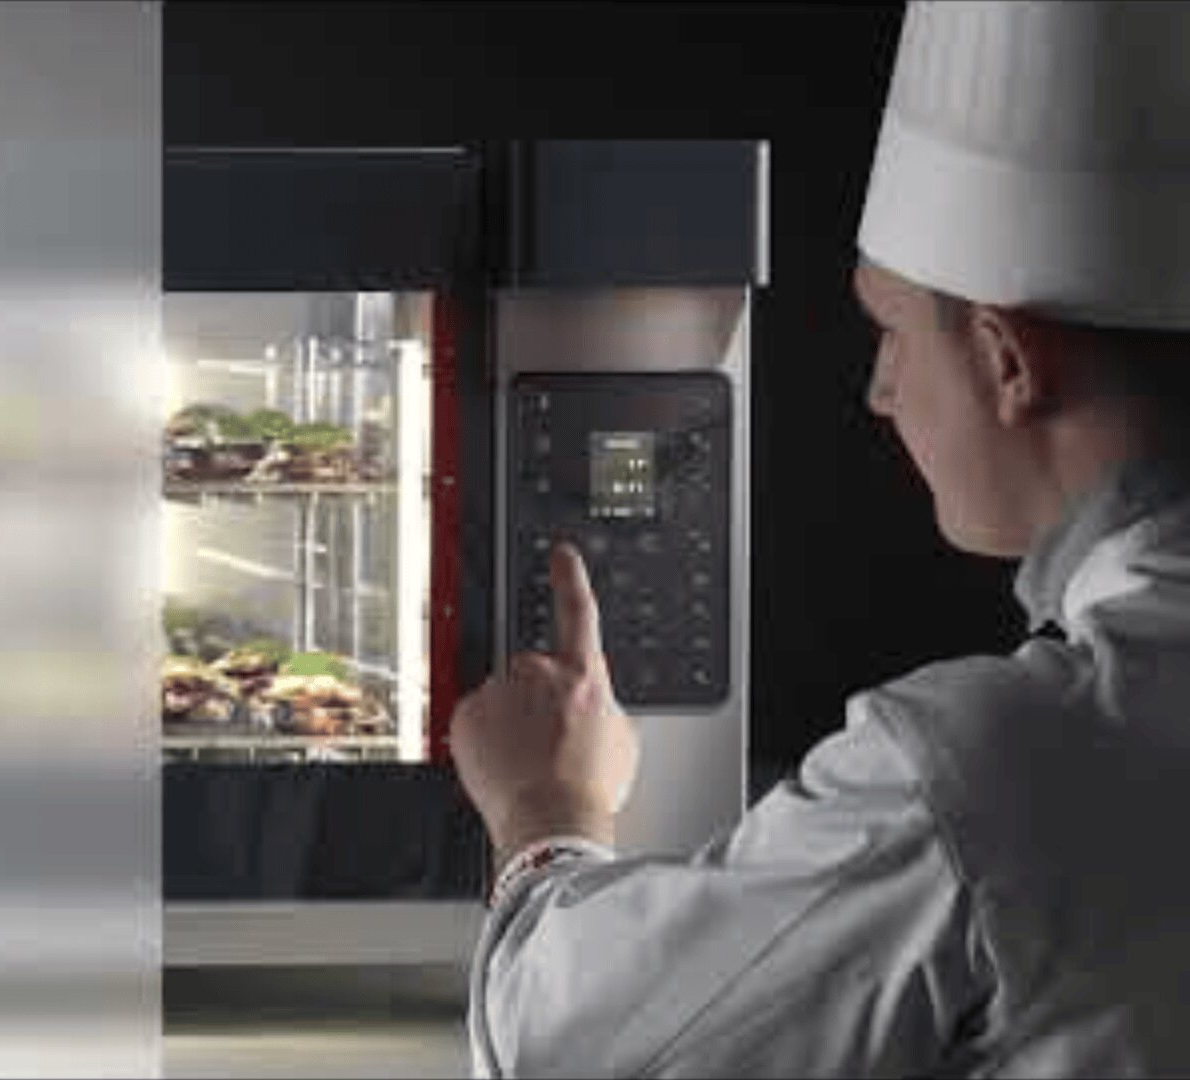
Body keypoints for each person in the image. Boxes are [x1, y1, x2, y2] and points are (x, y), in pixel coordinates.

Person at [454, 2, 1190, 1075]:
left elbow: (562, 1044)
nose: (879, 389)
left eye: (892, 332)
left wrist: (543, 806)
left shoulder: (986, 773)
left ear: (1006, 361)